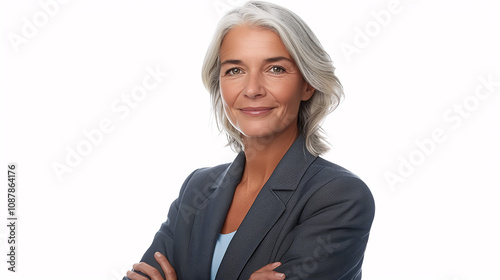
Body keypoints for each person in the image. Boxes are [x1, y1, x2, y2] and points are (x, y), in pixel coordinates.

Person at [124, 1, 375, 279]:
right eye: (235, 70)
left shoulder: (339, 197)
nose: (252, 89)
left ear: (307, 84)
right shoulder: (198, 187)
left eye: (275, 69)